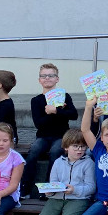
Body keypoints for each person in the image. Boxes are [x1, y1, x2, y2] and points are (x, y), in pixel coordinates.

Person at [21, 63, 78, 198]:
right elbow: (38, 123)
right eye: (44, 76)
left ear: (57, 79)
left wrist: (56, 110)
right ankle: (25, 189)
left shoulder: (65, 96)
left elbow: (74, 115)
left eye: (51, 75)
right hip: (43, 136)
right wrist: (51, 113)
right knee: (33, 152)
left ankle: (48, 189)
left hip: (61, 136)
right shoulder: (36, 100)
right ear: (39, 80)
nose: (47, 78)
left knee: (55, 152)